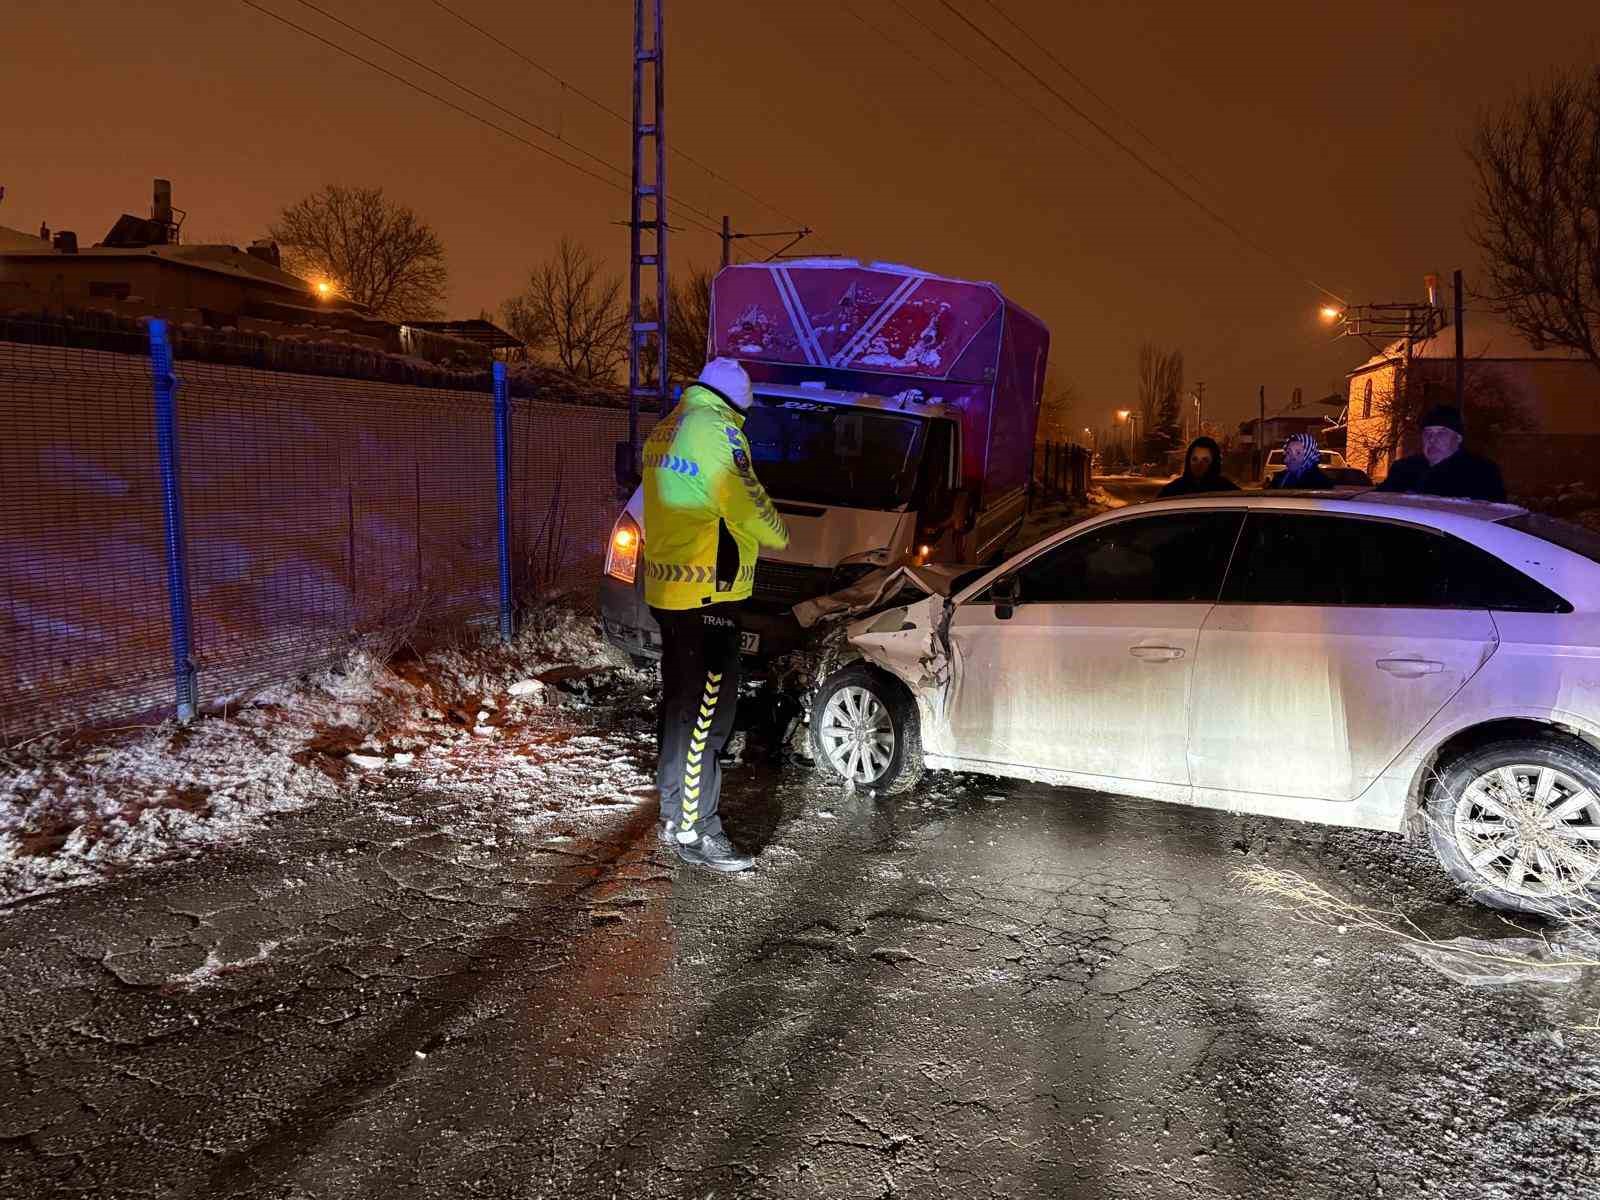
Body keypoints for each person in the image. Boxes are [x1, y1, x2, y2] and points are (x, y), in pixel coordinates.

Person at [643, 357, 789, 872]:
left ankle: (673, 810)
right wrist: (779, 532)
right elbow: (746, 504)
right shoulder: (718, 431)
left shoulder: (668, 426)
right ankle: (696, 831)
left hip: (671, 590)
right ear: (737, 403)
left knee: (681, 710)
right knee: (708, 717)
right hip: (709, 596)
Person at [1376, 404, 1506, 502]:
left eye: (1442, 433)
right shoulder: (1403, 469)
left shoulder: (1481, 472)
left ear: (1458, 438)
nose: (1432, 440)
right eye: (1427, 433)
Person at [1158, 436, 1239, 497]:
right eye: (1194, 459)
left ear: (1214, 462)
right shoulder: (1172, 492)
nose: (1199, 465)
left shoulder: (1227, 492)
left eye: (1205, 460)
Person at [1267, 432, 1334, 489]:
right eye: (1288, 452)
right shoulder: (1279, 478)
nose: (1292, 458)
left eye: (1298, 453)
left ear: (1309, 455)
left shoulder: (1321, 483)